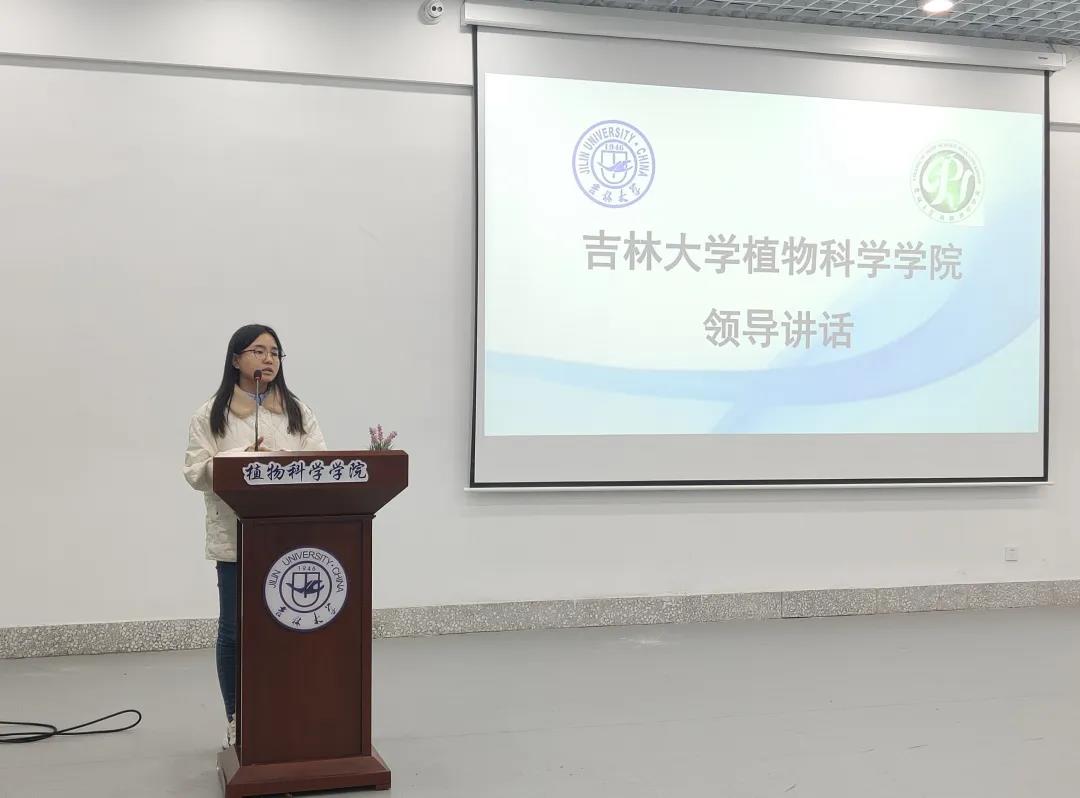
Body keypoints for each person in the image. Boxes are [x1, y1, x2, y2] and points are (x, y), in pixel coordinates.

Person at [183, 324, 327, 747]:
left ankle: (289, 712)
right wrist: (240, 459)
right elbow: (195, 472)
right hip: (237, 538)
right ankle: (237, 718)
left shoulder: (297, 412)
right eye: (258, 351)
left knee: (288, 629)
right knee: (234, 632)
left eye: (275, 353)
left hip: (291, 539)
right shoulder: (210, 414)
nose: (268, 359)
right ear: (235, 359)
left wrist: (280, 461)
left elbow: (319, 463)